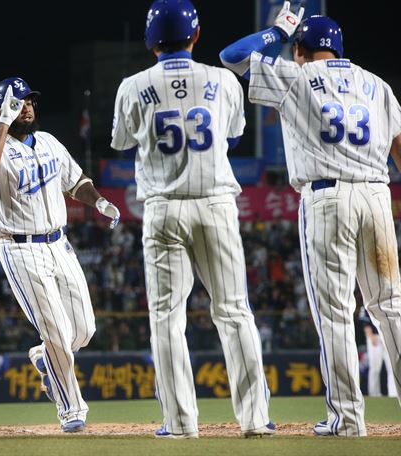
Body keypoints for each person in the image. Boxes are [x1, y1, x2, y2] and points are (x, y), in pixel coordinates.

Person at [220, 1, 401, 437]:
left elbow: (232, 56)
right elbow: (399, 144)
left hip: (328, 200)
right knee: (392, 308)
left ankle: (348, 418)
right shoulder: (377, 85)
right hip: (377, 194)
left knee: (336, 313)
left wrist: (279, 31)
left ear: (301, 48)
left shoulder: (295, 75)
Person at [111, 0, 273, 439]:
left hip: (163, 209)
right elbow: (233, 135)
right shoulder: (222, 79)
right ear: (196, 35)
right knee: (235, 311)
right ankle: (255, 419)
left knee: (166, 317)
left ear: (150, 42)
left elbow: (123, 142)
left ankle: (181, 423)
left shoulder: (132, 85)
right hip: (216, 203)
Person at [0, 77, 120, 433]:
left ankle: (43, 358)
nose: (28, 107)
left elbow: (76, 180)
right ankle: (71, 409)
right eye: (19, 102)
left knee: (83, 329)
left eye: (29, 101)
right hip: (20, 248)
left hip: (59, 244)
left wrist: (98, 200)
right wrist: (3, 124)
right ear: (1, 108)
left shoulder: (50, 142)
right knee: (54, 330)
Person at [359, 307, 397, 397]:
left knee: (392, 367)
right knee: (375, 367)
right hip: (375, 336)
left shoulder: (388, 302)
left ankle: (393, 393)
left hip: (388, 335)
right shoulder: (367, 302)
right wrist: (370, 336)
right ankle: (374, 394)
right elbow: (365, 322)